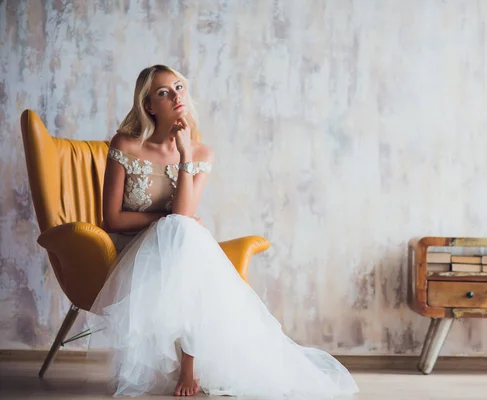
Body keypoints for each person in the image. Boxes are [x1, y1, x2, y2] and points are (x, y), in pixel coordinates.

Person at [85, 64, 359, 399]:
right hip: (132, 254)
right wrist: (164, 220)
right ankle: (188, 365)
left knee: (182, 234)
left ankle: (189, 364)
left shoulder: (200, 153)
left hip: (178, 249)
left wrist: (185, 154)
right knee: (181, 230)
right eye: (163, 92)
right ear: (148, 106)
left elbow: (184, 214)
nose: (175, 96)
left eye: (179, 87)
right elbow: (112, 219)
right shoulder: (125, 145)